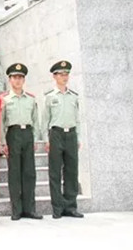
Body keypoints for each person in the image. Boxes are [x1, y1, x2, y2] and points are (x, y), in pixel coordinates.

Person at [0, 63, 42, 221]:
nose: (17, 80)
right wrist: (3, 142)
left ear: (24, 80)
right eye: (14, 77)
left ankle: (30, 209)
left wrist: (36, 138)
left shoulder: (31, 99)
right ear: (9, 79)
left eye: (20, 77)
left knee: (29, 173)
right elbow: (1, 122)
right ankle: (16, 209)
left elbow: (35, 120)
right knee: (15, 173)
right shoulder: (4, 99)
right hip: (13, 134)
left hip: (27, 134)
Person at [44, 60, 83, 219]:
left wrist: (78, 137)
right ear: (54, 76)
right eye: (61, 74)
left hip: (71, 134)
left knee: (72, 171)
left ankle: (70, 206)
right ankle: (57, 207)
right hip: (56, 134)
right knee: (55, 172)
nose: (64, 77)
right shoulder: (50, 97)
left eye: (66, 74)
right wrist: (46, 139)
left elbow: (77, 119)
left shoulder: (73, 96)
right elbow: (45, 120)